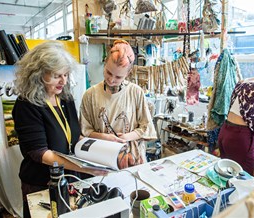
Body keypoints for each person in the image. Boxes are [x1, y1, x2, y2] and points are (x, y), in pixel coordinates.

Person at [12, 41, 107, 218]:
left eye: (65, 74)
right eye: (57, 76)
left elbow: (75, 136)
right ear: (38, 75)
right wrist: (87, 168)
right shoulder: (26, 105)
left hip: (71, 177)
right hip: (42, 182)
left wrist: (101, 153)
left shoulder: (65, 98)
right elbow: (41, 154)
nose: (63, 81)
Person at [80, 39, 157, 169]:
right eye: (108, 72)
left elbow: (145, 128)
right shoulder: (90, 95)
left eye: (118, 77)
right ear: (105, 64)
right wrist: (105, 137)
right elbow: (85, 131)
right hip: (100, 157)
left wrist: (126, 137)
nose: (111, 80)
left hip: (132, 158)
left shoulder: (135, 92)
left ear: (128, 73)